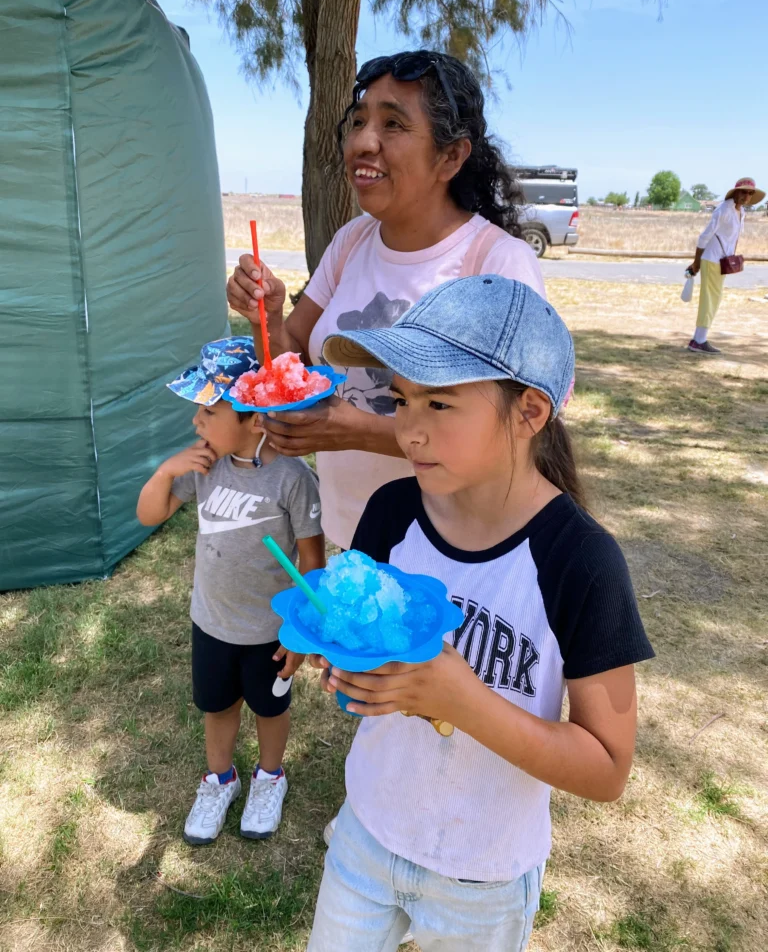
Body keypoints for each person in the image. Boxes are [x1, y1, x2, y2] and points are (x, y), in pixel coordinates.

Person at [304, 275, 655, 952]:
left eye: (439, 402)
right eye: (403, 399)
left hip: (483, 879)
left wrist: (461, 700)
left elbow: (607, 768)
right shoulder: (391, 514)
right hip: (368, 832)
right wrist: (344, 661)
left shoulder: (581, 563)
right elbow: (364, 652)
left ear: (529, 411)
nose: (409, 428)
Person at [226, 50, 545, 552]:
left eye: (393, 124)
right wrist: (267, 316)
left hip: (448, 547)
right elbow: (291, 364)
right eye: (358, 122)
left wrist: (353, 431)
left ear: (451, 157)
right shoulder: (351, 242)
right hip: (349, 528)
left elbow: (508, 434)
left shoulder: (495, 264)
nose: (362, 142)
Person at [137, 338, 325, 845]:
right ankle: (219, 779)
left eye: (210, 409)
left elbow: (312, 557)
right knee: (217, 707)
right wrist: (166, 470)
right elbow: (149, 515)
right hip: (213, 622)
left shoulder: (293, 477)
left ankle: (269, 777)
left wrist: (302, 628)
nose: (197, 420)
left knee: (270, 708)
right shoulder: (202, 464)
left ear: (254, 419)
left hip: (271, 629)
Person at [686, 176, 765, 353]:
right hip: (711, 258)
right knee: (710, 299)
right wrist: (696, 262)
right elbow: (704, 237)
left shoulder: (741, 212)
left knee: (715, 299)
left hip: (721, 261)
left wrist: (731, 258)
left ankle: (699, 339)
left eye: (750, 193)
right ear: (736, 192)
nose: (747, 196)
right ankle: (699, 340)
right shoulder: (723, 210)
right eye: (744, 192)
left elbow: (733, 238)